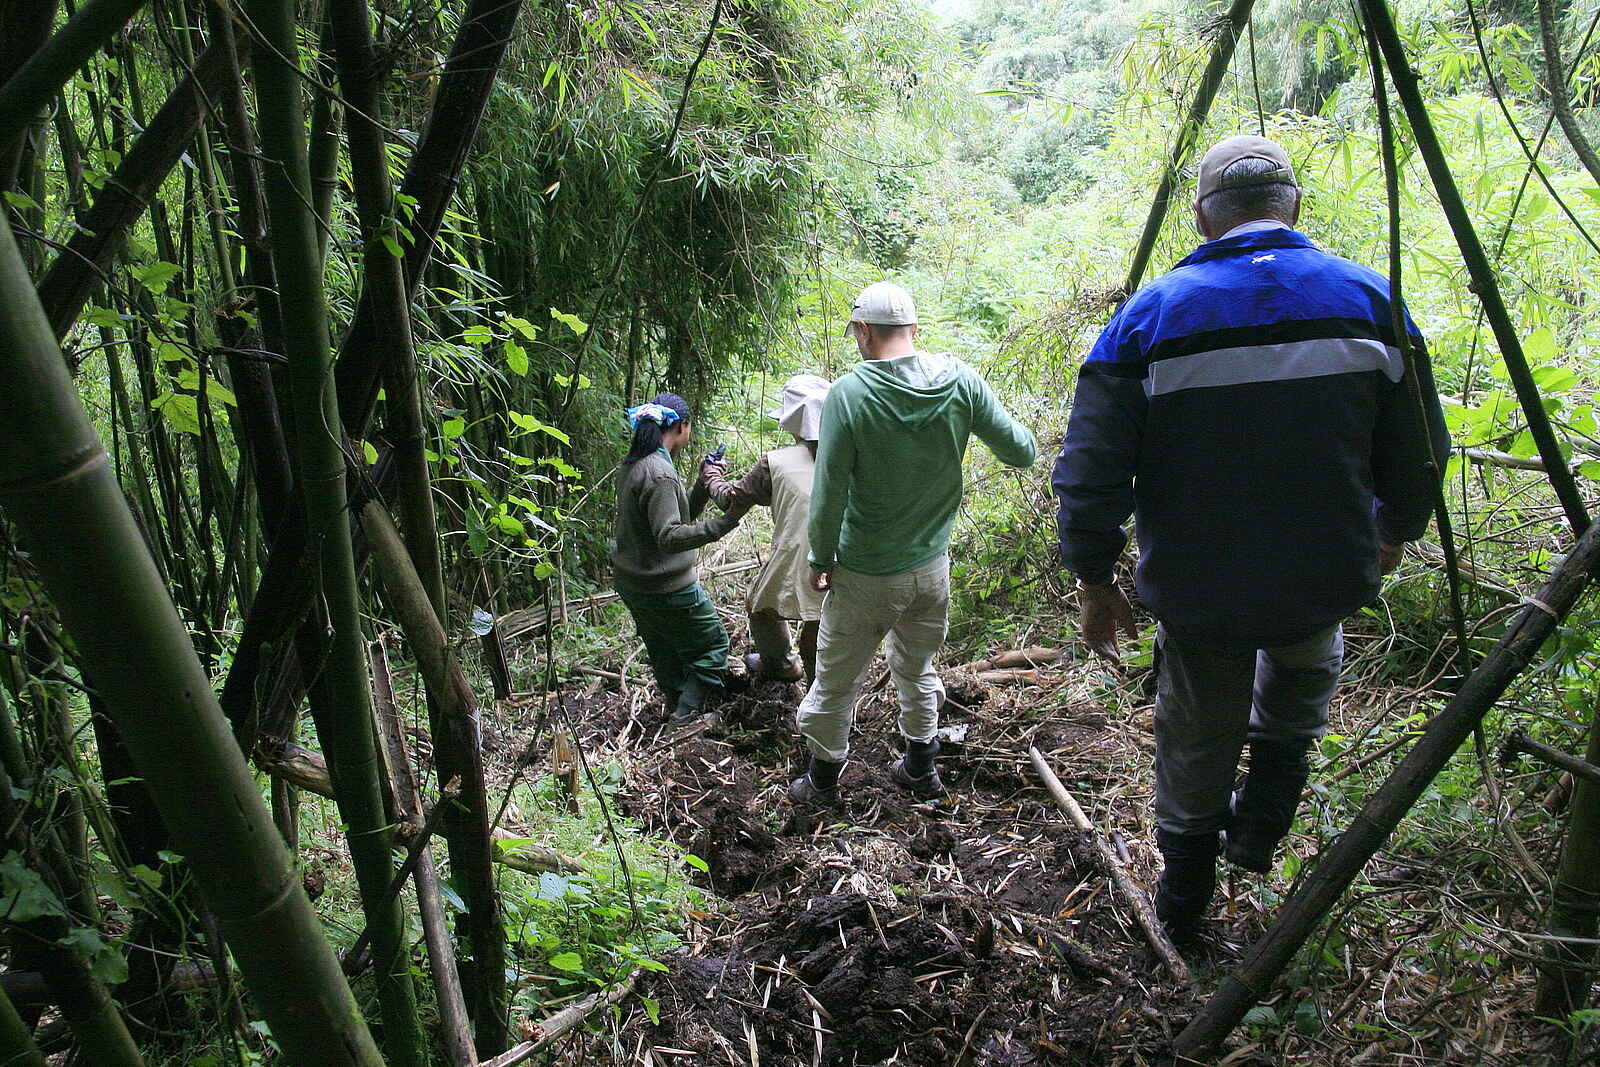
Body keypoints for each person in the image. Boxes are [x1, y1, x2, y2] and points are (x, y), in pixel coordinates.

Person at [1052, 135, 1449, 942]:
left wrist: (1096, 578)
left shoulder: (1150, 317)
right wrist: (1392, 533)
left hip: (1203, 594)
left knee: (1197, 738)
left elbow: (1091, 469)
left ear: (1201, 218)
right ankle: (1259, 832)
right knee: (1298, 696)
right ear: (1293, 205)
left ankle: (1184, 906)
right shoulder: (1371, 299)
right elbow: (1421, 449)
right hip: (1323, 577)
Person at [791, 282, 1037, 807]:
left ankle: (821, 783)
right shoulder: (961, 381)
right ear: (914, 331)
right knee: (918, 667)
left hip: (865, 573)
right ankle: (921, 768)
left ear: (863, 331)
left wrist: (819, 558)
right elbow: (1021, 451)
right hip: (932, 567)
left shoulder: (849, 395)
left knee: (836, 680)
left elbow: (829, 491)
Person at [610, 393, 743, 723]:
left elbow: (673, 515)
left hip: (634, 583)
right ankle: (685, 717)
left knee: (665, 651)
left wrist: (701, 483)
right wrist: (722, 524)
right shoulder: (661, 473)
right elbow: (669, 536)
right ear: (681, 427)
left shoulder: (636, 465)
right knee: (713, 646)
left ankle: (676, 703)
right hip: (667, 587)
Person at [699, 374, 832, 686]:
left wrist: (710, 479)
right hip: (849, 557)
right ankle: (822, 693)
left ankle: (781, 663)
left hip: (798, 553)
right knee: (823, 624)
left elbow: (731, 500)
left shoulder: (776, 463)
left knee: (760, 605)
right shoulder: (856, 455)